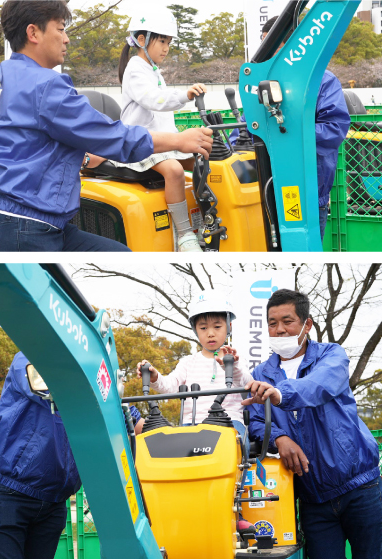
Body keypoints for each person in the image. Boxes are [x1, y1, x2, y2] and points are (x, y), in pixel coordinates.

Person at [0, 0, 213, 252]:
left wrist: (82, 157)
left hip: (30, 222)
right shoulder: (45, 84)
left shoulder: (3, 75)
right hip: (24, 227)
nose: (66, 39)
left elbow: (23, 140)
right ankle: (185, 234)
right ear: (33, 33)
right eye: (61, 29)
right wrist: (180, 140)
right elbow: (111, 136)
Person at [243, 289, 382, 559]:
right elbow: (257, 421)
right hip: (312, 499)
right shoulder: (260, 374)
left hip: (360, 488)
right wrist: (279, 438)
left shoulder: (332, 355)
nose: (279, 330)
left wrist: (281, 394)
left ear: (307, 324)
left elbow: (319, 386)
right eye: (272, 323)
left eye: (288, 321)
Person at [83, 8, 208, 252]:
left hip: (162, 143)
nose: (166, 48)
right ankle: (184, 235)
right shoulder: (135, 69)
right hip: (141, 143)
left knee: (203, 161)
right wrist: (185, 94)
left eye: (169, 43)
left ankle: (205, 221)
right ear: (142, 40)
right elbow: (154, 100)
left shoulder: (152, 70)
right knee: (173, 171)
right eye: (162, 41)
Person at [231, 17, 350, 242]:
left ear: (292, 46)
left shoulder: (323, 81)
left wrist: (281, 137)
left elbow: (334, 129)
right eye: (264, 43)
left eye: (271, 44)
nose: (266, 53)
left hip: (307, 190)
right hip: (263, 191)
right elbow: (243, 132)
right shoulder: (262, 84)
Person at [0, 353, 80, 559]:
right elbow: (49, 389)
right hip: (12, 494)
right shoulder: (30, 355)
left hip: (54, 500)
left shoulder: (81, 369)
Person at [136, 290, 253, 451]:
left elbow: (248, 385)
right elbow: (170, 386)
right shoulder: (187, 362)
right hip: (191, 425)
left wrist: (233, 367)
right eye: (203, 328)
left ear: (229, 326)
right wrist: (154, 377)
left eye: (217, 326)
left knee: (231, 451)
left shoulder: (237, 359)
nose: (210, 333)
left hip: (230, 423)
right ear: (195, 330)